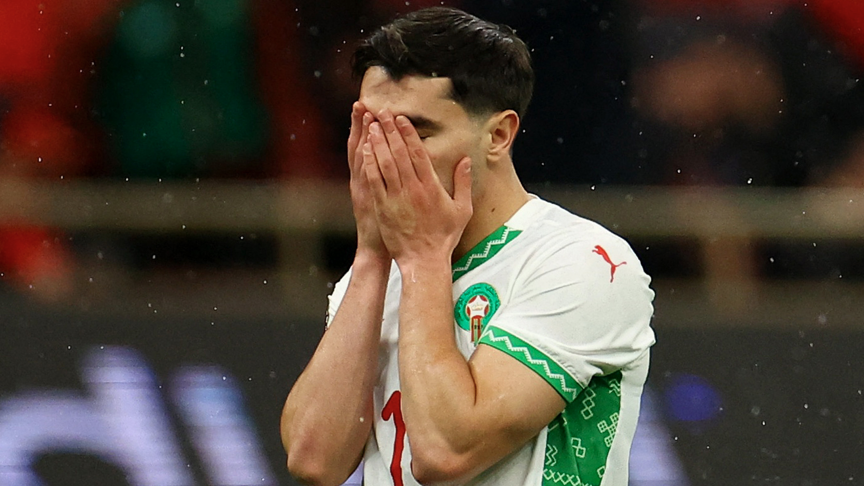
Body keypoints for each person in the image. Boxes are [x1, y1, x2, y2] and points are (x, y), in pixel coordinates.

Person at [280, 7, 655, 486]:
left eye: (415, 132)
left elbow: (445, 451)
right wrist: (372, 257)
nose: (386, 154)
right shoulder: (378, 272)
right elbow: (314, 460)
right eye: (371, 130)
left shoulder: (585, 262)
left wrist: (420, 260)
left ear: (499, 135)